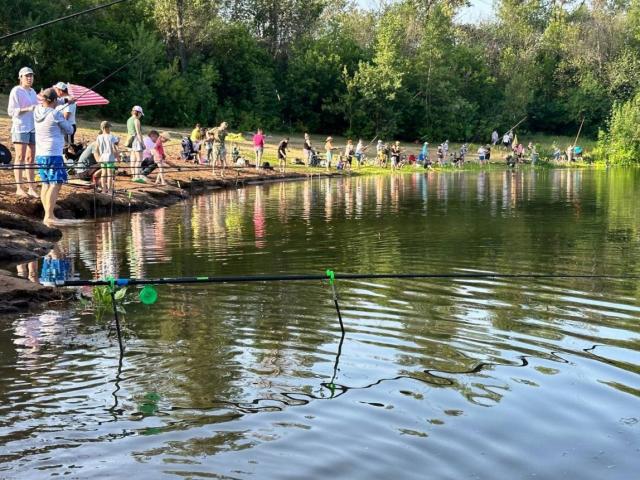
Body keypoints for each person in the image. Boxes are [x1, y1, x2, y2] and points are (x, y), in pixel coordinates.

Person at [34, 87, 74, 225]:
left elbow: (51, 104)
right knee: (56, 183)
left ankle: (47, 215)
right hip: (53, 153)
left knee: (46, 183)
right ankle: (49, 216)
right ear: (54, 100)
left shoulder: (37, 111)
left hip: (40, 154)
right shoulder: (55, 114)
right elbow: (69, 129)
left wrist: (66, 101)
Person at [7, 67, 39, 198]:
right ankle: (19, 188)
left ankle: (31, 188)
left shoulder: (33, 92)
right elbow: (11, 111)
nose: (29, 78)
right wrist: (27, 109)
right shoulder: (16, 90)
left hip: (33, 128)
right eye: (27, 76)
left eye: (31, 76)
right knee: (20, 157)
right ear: (20, 77)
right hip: (20, 128)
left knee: (31, 159)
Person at [96, 121, 119, 194]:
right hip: (110, 158)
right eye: (109, 128)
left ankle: (103, 190)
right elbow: (114, 148)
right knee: (110, 175)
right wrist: (117, 157)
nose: (109, 129)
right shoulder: (111, 136)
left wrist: (98, 158)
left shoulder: (99, 137)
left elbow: (96, 148)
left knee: (103, 174)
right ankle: (109, 190)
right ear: (105, 128)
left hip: (102, 159)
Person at [126, 105, 145, 182]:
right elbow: (138, 133)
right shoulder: (136, 120)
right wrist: (142, 143)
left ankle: (133, 176)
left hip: (130, 140)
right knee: (139, 160)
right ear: (138, 113)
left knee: (133, 160)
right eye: (140, 114)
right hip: (136, 140)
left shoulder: (129, 119)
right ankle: (137, 177)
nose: (140, 116)